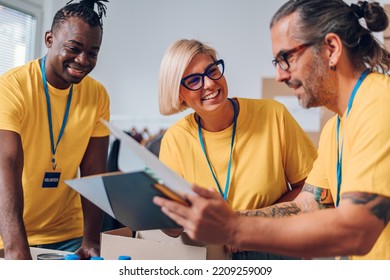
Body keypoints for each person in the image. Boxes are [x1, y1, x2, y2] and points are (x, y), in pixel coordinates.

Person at [154, 0, 390, 260]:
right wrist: (224, 220)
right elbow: (310, 204)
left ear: (331, 49)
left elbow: (356, 232)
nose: (279, 75)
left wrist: (235, 228)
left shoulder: (379, 102)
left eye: (286, 58)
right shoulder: (335, 127)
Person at [157, 39, 317, 259]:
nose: (210, 84)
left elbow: (313, 189)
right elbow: (171, 222)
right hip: (211, 253)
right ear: (179, 94)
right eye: (194, 80)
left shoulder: (273, 115)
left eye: (212, 71)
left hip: (274, 246)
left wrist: (247, 224)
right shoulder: (175, 139)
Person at [0, 0, 110, 260]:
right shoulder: (11, 88)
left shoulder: (97, 95)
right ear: (50, 39)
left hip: (67, 236)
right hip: (8, 235)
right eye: (74, 48)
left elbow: (94, 172)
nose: (83, 60)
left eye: (92, 52)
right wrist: (16, 249)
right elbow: (7, 163)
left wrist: (91, 240)